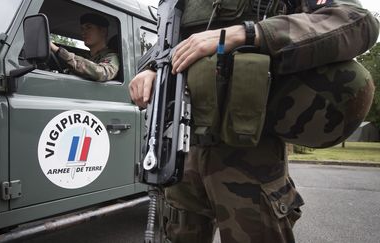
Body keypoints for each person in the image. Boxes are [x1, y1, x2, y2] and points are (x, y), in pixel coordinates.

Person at [130, 0, 379, 242]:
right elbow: (171, 44)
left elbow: (357, 21)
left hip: (247, 147)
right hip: (180, 149)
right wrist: (152, 68)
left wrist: (249, 33)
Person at [50, 13, 119, 81]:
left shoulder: (112, 57)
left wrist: (59, 51)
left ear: (103, 31)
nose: (83, 32)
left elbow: (102, 73)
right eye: (82, 29)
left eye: (88, 27)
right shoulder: (87, 57)